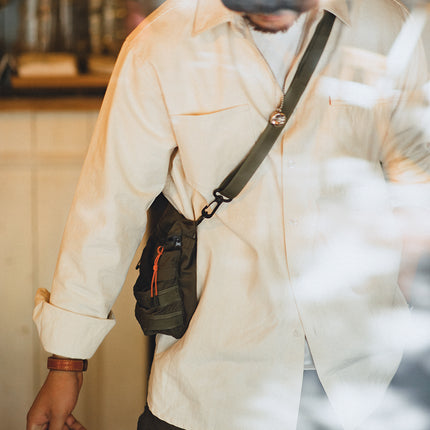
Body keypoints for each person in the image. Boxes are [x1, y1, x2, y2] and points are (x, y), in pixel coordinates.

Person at [27, 0, 430, 429]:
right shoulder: (161, 45)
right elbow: (109, 205)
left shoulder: (384, 23)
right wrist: (66, 363)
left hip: (370, 382)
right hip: (211, 386)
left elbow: (417, 181)